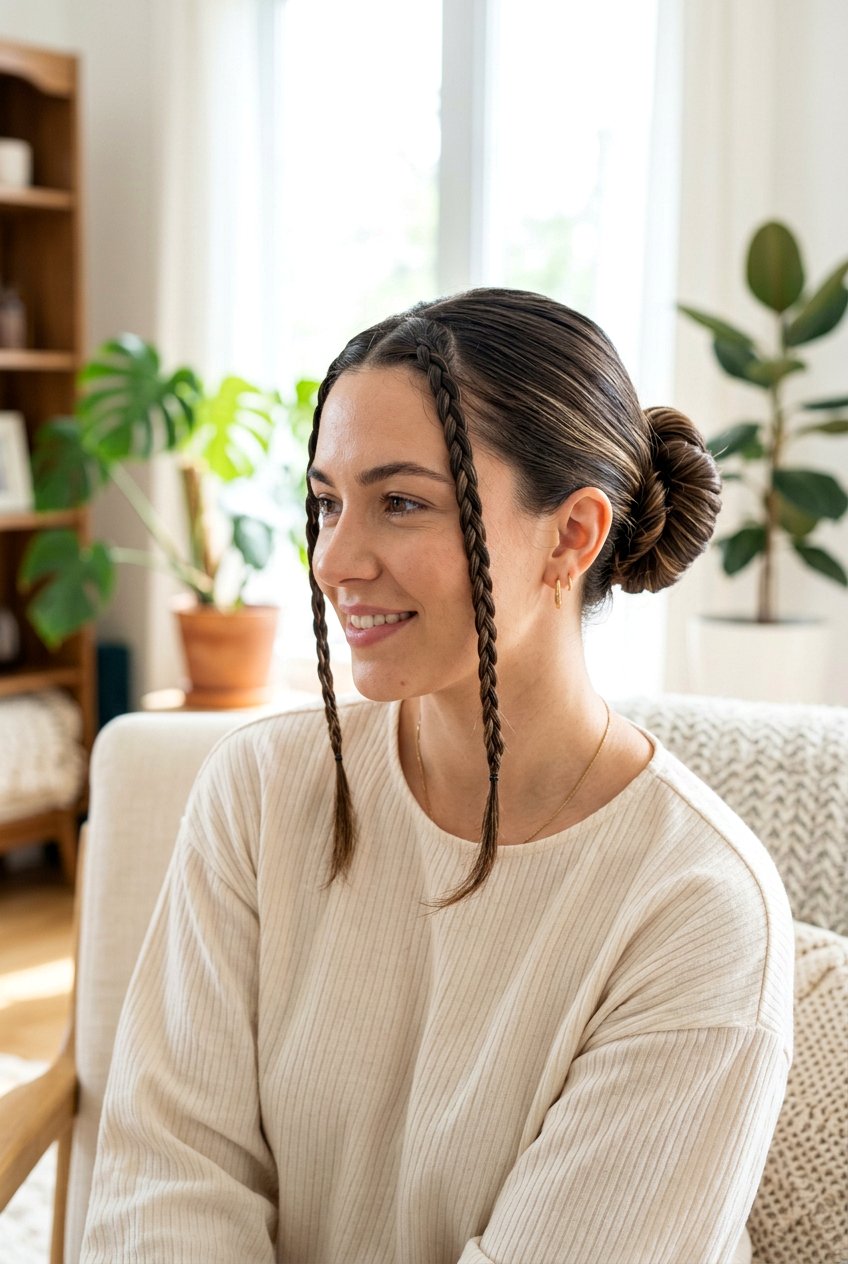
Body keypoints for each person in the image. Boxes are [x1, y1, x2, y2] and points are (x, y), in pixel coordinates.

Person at [81, 288, 793, 1264]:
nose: (334, 557)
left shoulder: (696, 908)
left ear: (571, 535)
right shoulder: (258, 792)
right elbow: (167, 1179)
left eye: (401, 502)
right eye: (326, 502)